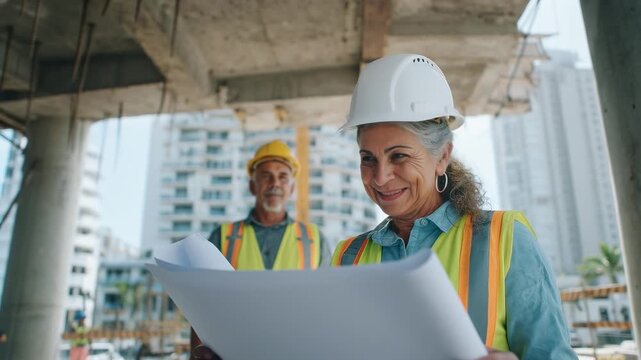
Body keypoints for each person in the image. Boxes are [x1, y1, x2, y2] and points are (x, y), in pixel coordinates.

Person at [330, 53, 577, 359]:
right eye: (368, 158)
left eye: (399, 156)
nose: (380, 177)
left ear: (442, 157)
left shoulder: (504, 239)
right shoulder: (347, 257)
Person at [191, 139, 328, 358]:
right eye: (266, 176)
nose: (275, 183)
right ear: (252, 186)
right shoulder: (223, 237)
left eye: (283, 177)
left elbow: (325, 306)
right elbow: (200, 306)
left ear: (292, 188)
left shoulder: (314, 239)